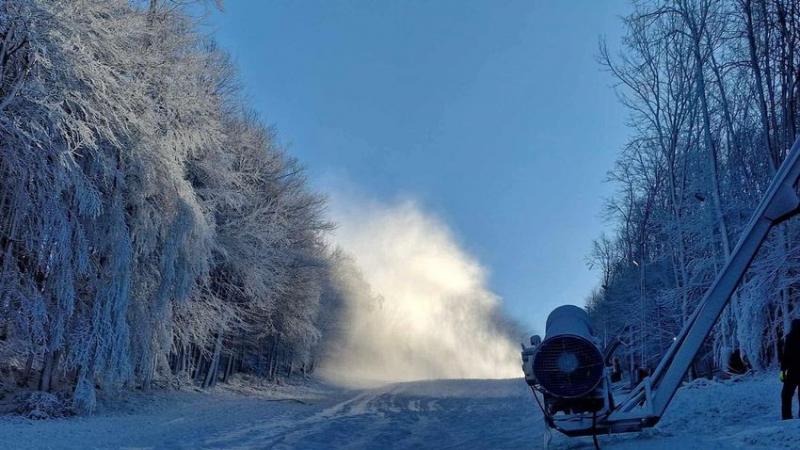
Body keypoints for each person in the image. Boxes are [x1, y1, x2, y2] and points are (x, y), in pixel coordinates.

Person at [780, 319, 800, 420]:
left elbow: (786, 356)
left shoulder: (790, 338)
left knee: (786, 395)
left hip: (793, 371)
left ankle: (787, 416)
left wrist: (782, 371)